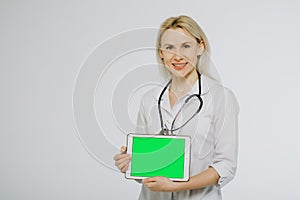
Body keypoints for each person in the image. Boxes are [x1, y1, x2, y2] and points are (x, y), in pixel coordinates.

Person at [114, 15, 239, 200]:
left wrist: (176, 186)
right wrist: (132, 163)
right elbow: (145, 177)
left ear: (200, 47)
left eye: (185, 46)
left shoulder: (222, 98)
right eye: (170, 47)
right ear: (161, 53)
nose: (177, 55)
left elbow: (225, 167)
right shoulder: (149, 100)